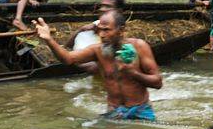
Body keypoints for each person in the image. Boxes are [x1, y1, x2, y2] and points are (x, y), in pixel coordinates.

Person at [34, 11, 162, 121]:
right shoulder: (97, 51)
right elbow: (68, 59)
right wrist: (49, 39)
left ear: (121, 30)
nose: (101, 34)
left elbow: (157, 83)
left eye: (106, 30)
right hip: (114, 112)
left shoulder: (139, 47)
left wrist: (133, 73)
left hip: (141, 110)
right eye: (100, 29)